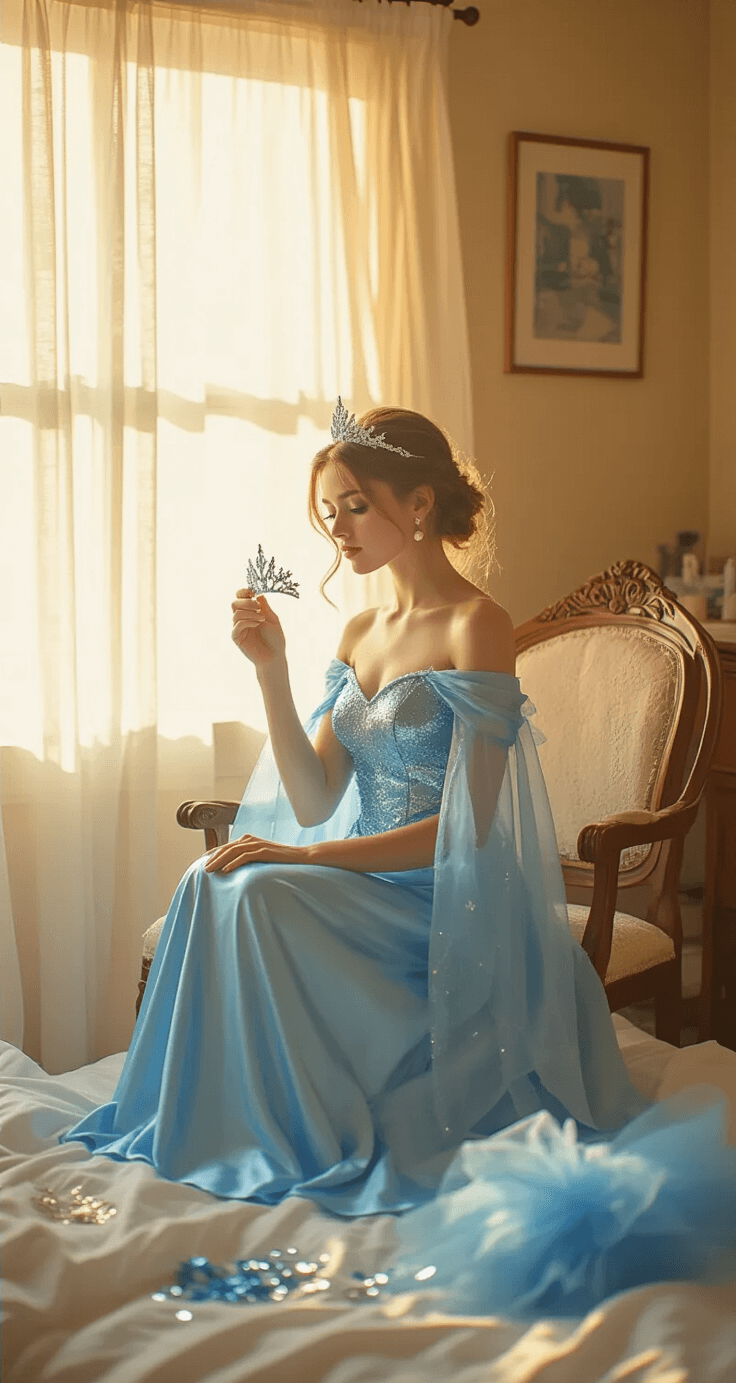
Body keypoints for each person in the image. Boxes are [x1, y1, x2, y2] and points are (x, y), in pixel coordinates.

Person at [61, 403, 736, 1313]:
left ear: (418, 505)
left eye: (352, 507)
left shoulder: (477, 628)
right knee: (211, 882)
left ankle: (288, 1131)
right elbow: (308, 799)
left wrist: (320, 862)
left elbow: (476, 826)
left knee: (257, 892)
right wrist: (269, 670)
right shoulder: (357, 634)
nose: (335, 530)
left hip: (439, 896)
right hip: (358, 873)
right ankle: (223, 1124)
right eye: (327, 511)